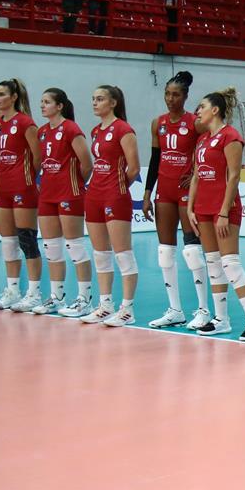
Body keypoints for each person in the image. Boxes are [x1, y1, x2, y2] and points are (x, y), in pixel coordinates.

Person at [186, 88, 245, 339]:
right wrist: (190, 207)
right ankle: (221, 319)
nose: (198, 111)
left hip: (224, 210)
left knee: (230, 264)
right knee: (213, 263)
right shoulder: (202, 140)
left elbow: (234, 176)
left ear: (215, 110)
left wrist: (224, 212)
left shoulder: (231, 136)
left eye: (202, 107)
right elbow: (197, 176)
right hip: (203, 209)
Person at [142, 71, 211, 330]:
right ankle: (175, 310)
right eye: (167, 94)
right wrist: (147, 194)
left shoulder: (195, 123)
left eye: (176, 95)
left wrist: (196, 171)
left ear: (185, 96)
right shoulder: (157, 123)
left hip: (186, 192)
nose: (171, 99)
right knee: (165, 251)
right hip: (164, 191)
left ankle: (203, 310)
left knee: (192, 250)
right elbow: (154, 159)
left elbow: (210, 146)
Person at [78, 86, 140, 326]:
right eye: (93, 99)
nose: (95, 102)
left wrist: (116, 187)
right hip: (94, 194)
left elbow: (134, 168)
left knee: (123, 254)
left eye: (100, 99)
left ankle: (127, 309)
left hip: (115, 196)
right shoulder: (96, 130)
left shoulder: (124, 129)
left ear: (113, 103)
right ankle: (105, 305)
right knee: (100, 254)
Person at [35, 88, 95, 317]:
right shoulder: (42, 132)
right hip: (47, 195)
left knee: (75, 247)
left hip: (69, 194)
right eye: (41, 102)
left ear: (59, 106)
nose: (42, 105)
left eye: (47, 102)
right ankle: (57, 297)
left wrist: (75, 185)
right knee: (51, 248)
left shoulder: (71, 128)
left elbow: (86, 164)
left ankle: (84, 299)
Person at [0, 79, 43, 311]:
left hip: (23, 187)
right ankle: (12, 291)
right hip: (2, 187)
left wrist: (28, 178)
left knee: (27, 240)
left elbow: (38, 157)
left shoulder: (26, 123)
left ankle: (34, 293)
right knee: (8, 241)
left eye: (1, 94)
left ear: (13, 97)